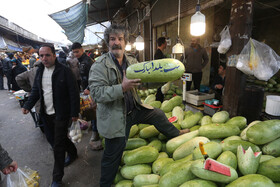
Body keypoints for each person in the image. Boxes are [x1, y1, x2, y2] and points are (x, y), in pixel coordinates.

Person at [88, 24, 190, 187]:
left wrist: (165, 76)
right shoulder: (99, 66)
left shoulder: (132, 61)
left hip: (134, 108)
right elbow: (96, 93)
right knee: (112, 156)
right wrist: (122, 87)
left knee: (157, 114)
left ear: (125, 42)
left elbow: (145, 80)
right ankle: (105, 184)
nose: (116, 43)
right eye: (113, 39)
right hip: (116, 118)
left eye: (120, 39)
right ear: (108, 42)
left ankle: (176, 134)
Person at [21, 44, 80, 187]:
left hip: (61, 114)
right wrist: (28, 105)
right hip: (45, 115)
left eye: (47, 55)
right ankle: (72, 152)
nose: (44, 58)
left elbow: (74, 92)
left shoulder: (64, 71)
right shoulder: (39, 71)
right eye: (41, 56)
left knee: (58, 147)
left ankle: (57, 179)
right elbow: (35, 91)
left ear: (54, 55)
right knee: (53, 140)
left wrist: (74, 113)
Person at [71, 42, 101, 150]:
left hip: (92, 91)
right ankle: (94, 130)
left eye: (77, 51)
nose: (76, 54)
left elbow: (95, 76)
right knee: (89, 111)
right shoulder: (80, 62)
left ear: (82, 50)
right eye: (74, 52)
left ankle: (96, 134)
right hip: (86, 91)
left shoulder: (88, 61)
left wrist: (89, 88)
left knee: (93, 112)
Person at [154, 37, 167, 102]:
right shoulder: (158, 53)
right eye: (166, 42)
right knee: (159, 92)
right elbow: (158, 66)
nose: (166, 44)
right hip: (160, 76)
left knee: (160, 92)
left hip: (161, 77)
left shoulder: (160, 52)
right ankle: (158, 104)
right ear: (163, 43)